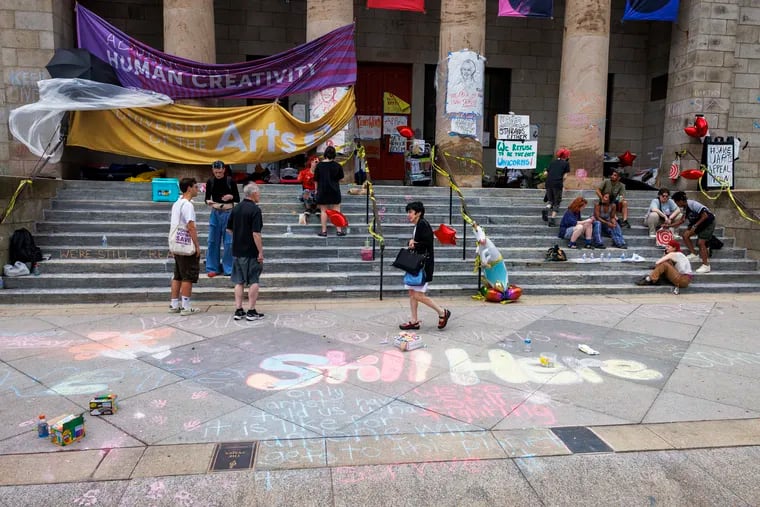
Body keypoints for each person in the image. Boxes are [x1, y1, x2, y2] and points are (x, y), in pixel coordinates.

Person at [399, 201, 451, 331]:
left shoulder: (423, 224)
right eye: (408, 212)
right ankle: (414, 321)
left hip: (423, 266)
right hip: (417, 265)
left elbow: (426, 244)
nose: (408, 215)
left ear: (419, 213)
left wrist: (414, 244)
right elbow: (418, 242)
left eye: (410, 212)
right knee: (412, 293)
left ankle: (442, 312)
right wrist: (412, 243)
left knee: (417, 295)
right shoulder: (418, 225)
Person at [227, 182, 265, 321]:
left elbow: (228, 229)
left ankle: (238, 310)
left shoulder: (236, 208)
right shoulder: (255, 210)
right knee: (254, 280)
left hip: (237, 250)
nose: (259, 194)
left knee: (239, 281)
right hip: (251, 251)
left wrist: (238, 237)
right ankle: (251, 310)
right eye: (258, 192)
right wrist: (260, 252)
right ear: (253, 193)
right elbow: (256, 233)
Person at [169, 178, 201, 316]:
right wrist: (197, 245)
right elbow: (191, 226)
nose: (197, 189)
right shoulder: (188, 205)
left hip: (176, 243)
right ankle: (186, 306)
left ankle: (174, 303)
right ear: (189, 188)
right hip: (186, 244)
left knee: (178, 275)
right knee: (188, 275)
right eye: (195, 187)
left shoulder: (177, 203)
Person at [204, 160, 240, 277]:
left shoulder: (230, 181)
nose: (218, 174)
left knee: (229, 241)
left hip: (228, 212)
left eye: (220, 172)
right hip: (215, 211)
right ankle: (212, 267)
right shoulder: (210, 181)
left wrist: (231, 196)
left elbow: (238, 199)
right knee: (212, 240)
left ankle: (228, 267)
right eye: (216, 172)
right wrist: (208, 201)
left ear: (224, 170)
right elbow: (206, 198)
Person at [671, 191, 715, 274]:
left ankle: (706, 265)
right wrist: (669, 225)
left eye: (676, 202)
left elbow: (705, 216)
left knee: (701, 242)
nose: (676, 204)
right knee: (685, 235)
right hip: (699, 224)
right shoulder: (685, 208)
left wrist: (695, 226)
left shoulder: (692, 204)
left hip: (708, 223)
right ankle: (694, 254)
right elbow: (682, 220)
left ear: (680, 200)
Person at [314, 146, 346, 236]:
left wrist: (316, 190)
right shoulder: (337, 166)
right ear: (334, 155)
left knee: (323, 211)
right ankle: (339, 230)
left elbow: (316, 179)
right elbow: (341, 179)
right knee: (336, 210)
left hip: (322, 190)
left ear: (325, 154)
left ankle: (324, 231)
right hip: (335, 191)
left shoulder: (319, 165)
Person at [542, 148, 571, 227]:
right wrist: (561, 182)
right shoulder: (566, 163)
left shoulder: (552, 162)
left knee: (551, 200)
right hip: (557, 183)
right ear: (566, 156)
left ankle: (546, 209)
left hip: (548, 183)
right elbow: (565, 176)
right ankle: (552, 220)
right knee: (557, 202)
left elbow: (545, 173)